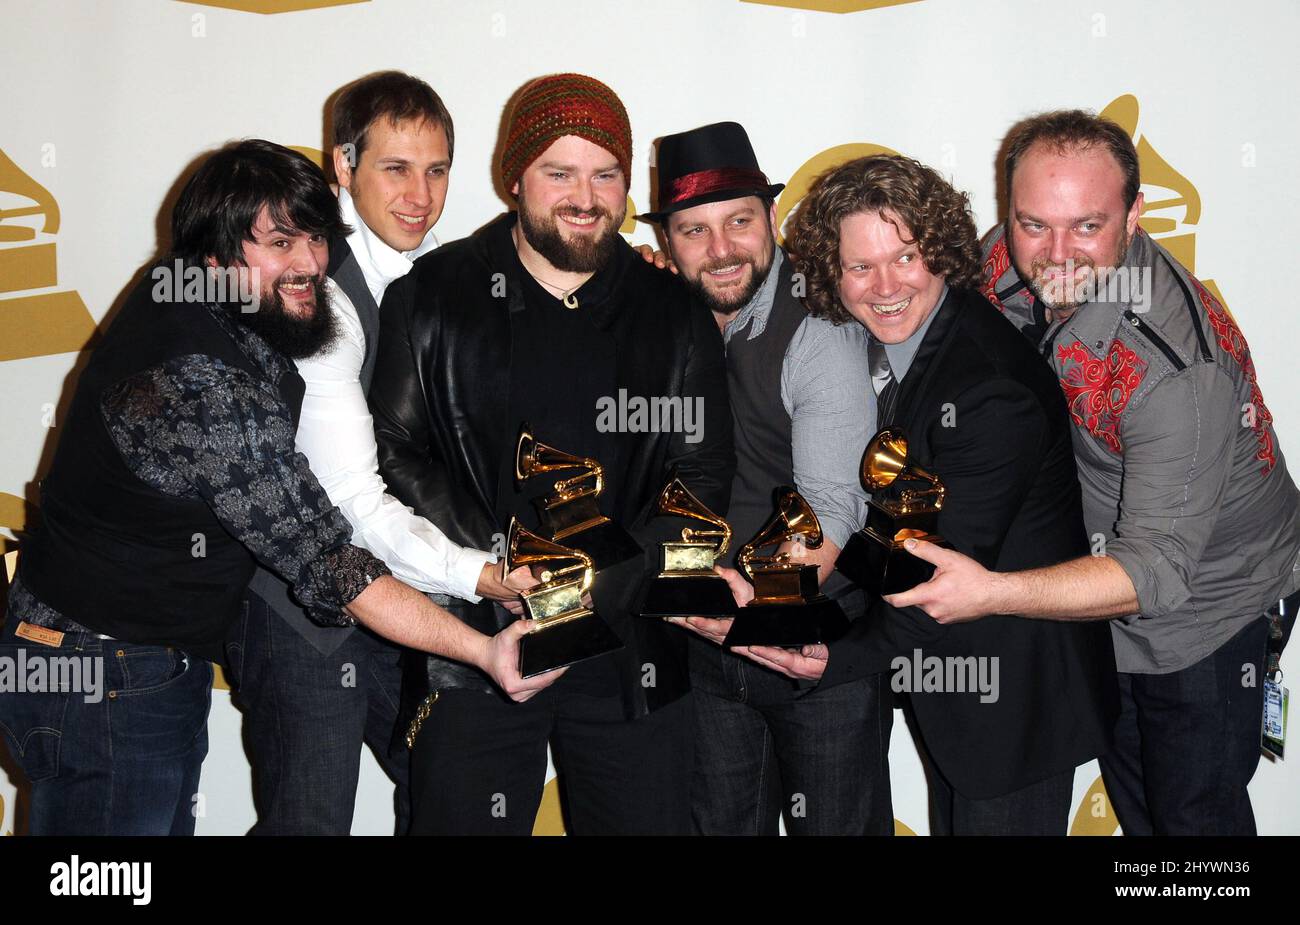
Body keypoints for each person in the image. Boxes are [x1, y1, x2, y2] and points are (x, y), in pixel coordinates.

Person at [0, 139, 557, 836]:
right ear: (213, 254)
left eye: (316, 238)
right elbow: (335, 565)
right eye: (279, 243)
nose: (308, 265)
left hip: (124, 660)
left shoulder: (199, 285)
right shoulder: (204, 389)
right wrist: (482, 650)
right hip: (98, 674)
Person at [897, 109, 1300, 835]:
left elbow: (1153, 575)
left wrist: (994, 591)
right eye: (1032, 224)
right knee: (1139, 806)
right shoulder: (1002, 257)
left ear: (1136, 215)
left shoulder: (1177, 366)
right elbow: (887, 286)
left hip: (1212, 599)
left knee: (1191, 820)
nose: (1055, 253)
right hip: (1103, 574)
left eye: (1087, 225)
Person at [369, 73, 734, 835]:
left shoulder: (673, 308)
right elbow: (396, 453)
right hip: (478, 637)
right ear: (514, 177)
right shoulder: (433, 294)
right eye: (559, 172)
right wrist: (499, 569)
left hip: (633, 644)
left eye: (605, 174)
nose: (585, 196)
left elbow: (700, 480)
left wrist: (599, 587)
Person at [734, 154, 1117, 835]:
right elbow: (892, 528)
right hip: (953, 689)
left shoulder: (987, 391)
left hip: (1010, 707)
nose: (884, 286)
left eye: (905, 257)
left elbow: (937, 575)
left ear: (939, 251)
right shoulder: (909, 340)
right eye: (860, 266)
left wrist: (831, 656)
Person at [235, 71, 530, 836]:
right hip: (304, 611)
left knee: (451, 798)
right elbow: (353, 504)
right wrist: (481, 572)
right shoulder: (317, 291)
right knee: (312, 821)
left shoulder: (444, 282)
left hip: (408, 603)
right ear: (342, 166)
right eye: (395, 168)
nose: (419, 195)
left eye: (436, 170)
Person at [639, 121, 890, 835]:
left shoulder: (817, 325)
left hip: (817, 643)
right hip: (710, 653)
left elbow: (831, 506)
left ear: (771, 218)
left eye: (739, 221)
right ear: (667, 243)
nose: (720, 250)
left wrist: (735, 617)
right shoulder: (667, 315)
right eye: (694, 231)